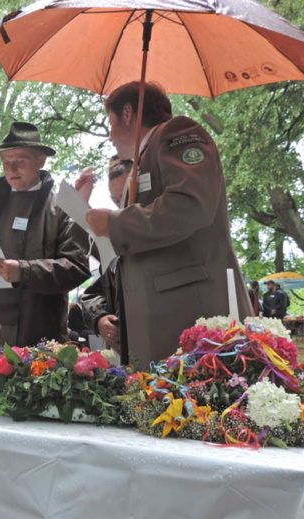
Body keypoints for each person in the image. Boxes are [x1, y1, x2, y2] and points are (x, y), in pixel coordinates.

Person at [82, 82, 251, 369]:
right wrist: (89, 214)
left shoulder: (177, 134)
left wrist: (114, 221)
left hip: (190, 316)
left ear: (127, 114)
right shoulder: (138, 165)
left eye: (110, 123)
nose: (110, 135)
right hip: (156, 320)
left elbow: (190, 205)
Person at [0, 121, 90, 346]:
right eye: (6, 162)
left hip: (36, 336)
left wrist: (23, 271)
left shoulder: (62, 211)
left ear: (41, 160)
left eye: (20, 162)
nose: (11, 169)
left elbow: (77, 267)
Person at [77, 157, 132, 351]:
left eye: (126, 197)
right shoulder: (116, 247)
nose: (121, 206)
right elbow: (93, 293)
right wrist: (100, 318)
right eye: (116, 200)